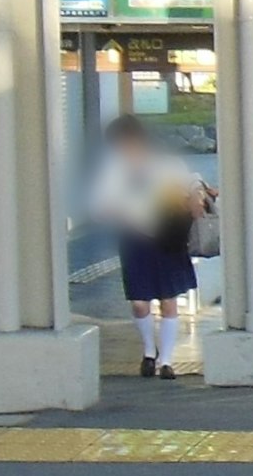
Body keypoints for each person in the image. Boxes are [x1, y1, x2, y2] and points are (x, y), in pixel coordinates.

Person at [88, 115, 210, 376]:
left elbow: (191, 181)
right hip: (134, 236)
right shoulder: (114, 170)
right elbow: (98, 205)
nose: (125, 148)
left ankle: (166, 360)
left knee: (169, 299)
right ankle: (148, 351)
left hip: (168, 235)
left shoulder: (166, 163)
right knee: (139, 302)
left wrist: (196, 193)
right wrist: (111, 209)